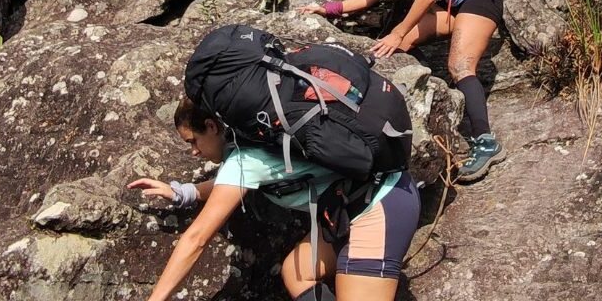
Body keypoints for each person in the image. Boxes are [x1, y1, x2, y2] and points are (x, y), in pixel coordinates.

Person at [128, 97, 420, 301]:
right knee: (297, 273)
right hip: (351, 209)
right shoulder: (255, 137)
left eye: (193, 140)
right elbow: (230, 184)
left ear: (212, 126)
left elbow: (196, 238)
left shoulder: (245, 158)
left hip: (380, 205)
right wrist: (185, 192)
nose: (193, 151)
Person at [301, 0, 506, 183]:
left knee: (460, 65)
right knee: (395, 47)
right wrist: (328, 8)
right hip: (451, 8)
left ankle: (485, 142)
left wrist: (397, 31)